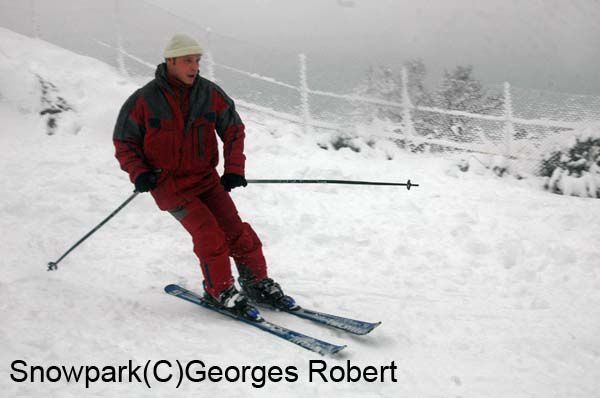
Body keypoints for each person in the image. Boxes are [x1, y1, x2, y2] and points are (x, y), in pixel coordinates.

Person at [113, 33, 295, 320]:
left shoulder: (209, 94)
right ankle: (218, 290)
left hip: (206, 180)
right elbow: (125, 141)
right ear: (170, 61)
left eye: (197, 61)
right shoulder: (144, 101)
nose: (194, 67)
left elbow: (233, 129)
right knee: (209, 234)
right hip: (169, 184)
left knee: (237, 231)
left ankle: (255, 283)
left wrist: (234, 169)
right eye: (188, 61)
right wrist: (140, 172)